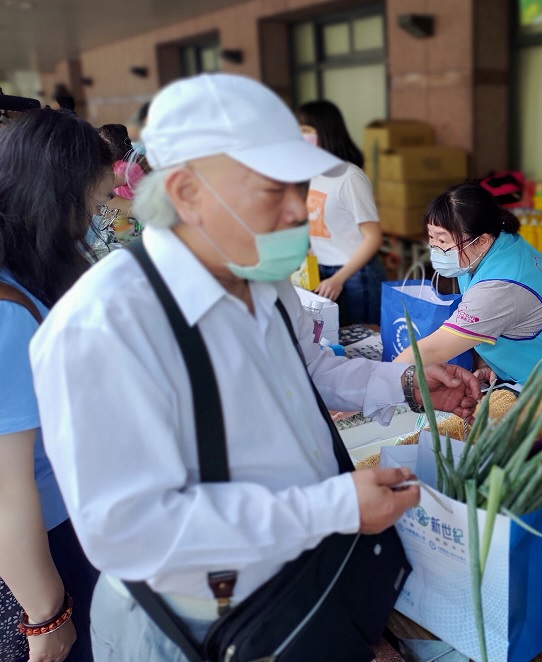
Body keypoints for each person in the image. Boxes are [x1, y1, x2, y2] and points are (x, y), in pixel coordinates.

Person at [29, 73, 481, 660]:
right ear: (188, 193)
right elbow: (130, 531)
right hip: (199, 627)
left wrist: (407, 382)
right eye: (273, 190)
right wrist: (334, 507)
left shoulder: (264, 278)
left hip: (300, 584)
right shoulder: (104, 327)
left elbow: (311, 367)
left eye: (299, 184)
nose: (299, 210)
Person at [0, 109, 114, 662]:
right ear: (56, 198)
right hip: (39, 553)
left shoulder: (30, 275)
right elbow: (5, 490)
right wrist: (47, 615)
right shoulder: (7, 314)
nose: (99, 217)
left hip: (68, 521)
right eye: (95, 203)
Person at [394, 182, 542, 393]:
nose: (435, 247)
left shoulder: (500, 285)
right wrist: (490, 362)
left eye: (443, 241)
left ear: (481, 240)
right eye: (431, 237)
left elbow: (435, 350)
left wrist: (379, 380)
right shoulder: (491, 248)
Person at [297, 100, 385, 325]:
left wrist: (339, 278)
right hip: (322, 273)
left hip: (354, 277)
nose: (300, 136)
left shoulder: (350, 177)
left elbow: (373, 237)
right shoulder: (315, 175)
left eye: (306, 130)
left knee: (362, 343)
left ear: (326, 131)